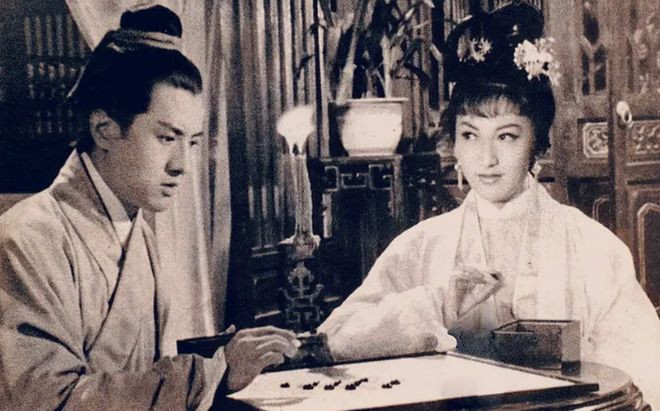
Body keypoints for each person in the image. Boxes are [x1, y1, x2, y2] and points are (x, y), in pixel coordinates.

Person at [318, 1, 660, 407]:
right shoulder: (421, 247)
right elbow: (337, 340)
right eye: (470, 135)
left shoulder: (593, 249)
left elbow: (644, 372)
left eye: (506, 136)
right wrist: (436, 302)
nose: (486, 158)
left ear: (537, 142)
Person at [0, 5, 298, 410]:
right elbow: (47, 401)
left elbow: (142, 377)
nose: (182, 165)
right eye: (166, 138)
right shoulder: (25, 239)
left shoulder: (138, 230)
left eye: (192, 142)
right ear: (104, 130)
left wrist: (222, 357)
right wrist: (208, 373)